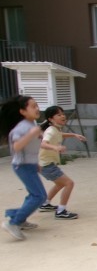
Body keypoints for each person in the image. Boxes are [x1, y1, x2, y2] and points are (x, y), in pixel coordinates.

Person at [0, 95, 47, 240]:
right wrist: (31, 134)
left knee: (35, 195)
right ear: (22, 111)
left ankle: (17, 217)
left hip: (29, 165)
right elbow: (17, 146)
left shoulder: (31, 124)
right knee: (39, 196)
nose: (37, 108)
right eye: (33, 106)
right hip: (22, 166)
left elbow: (31, 148)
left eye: (37, 105)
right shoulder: (22, 128)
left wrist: (35, 163)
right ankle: (13, 222)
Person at [38, 105, 87, 219]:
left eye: (63, 114)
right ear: (50, 119)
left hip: (45, 164)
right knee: (69, 183)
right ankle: (61, 211)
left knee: (60, 184)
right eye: (59, 115)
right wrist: (55, 147)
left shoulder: (55, 129)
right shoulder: (50, 131)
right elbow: (43, 144)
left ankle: (45, 204)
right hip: (47, 165)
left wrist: (74, 135)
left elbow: (60, 135)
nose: (63, 116)